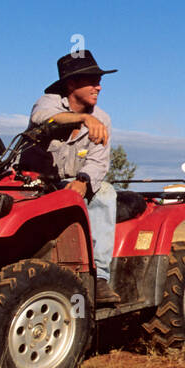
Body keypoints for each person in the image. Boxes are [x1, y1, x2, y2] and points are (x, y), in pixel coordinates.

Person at [28, 50, 121, 305]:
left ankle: (99, 278)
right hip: (37, 182)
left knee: (104, 193)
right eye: (92, 81)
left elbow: (98, 162)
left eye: (99, 81)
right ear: (71, 84)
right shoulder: (48, 102)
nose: (98, 87)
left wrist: (81, 182)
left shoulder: (103, 120)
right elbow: (42, 119)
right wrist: (82, 118)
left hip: (76, 183)